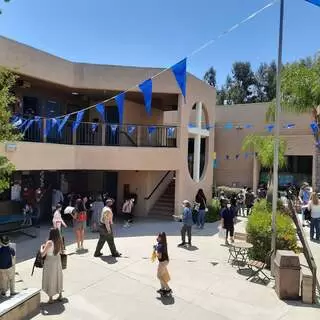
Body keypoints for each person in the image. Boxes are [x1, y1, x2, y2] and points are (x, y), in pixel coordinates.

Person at [40, 228, 63, 303]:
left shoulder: (49, 242)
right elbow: (62, 251)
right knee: (58, 277)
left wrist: (42, 247)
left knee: (50, 278)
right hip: (57, 260)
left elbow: (43, 254)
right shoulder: (60, 240)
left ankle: (50, 298)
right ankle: (60, 295)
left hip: (50, 261)